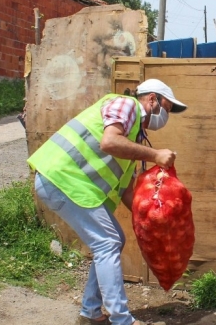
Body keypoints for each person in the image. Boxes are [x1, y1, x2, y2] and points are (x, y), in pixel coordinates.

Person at [27, 79, 187, 325]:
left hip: (70, 185)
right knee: (107, 242)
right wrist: (156, 155)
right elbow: (109, 142)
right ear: (152, 99)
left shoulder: (133, 136)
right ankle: (122, 320)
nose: (167, 115)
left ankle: (90, 312)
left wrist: (153, 220)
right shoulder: (127, 105)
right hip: (61, 180)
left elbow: (125, 191)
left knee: (115, 240)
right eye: (167, 107)